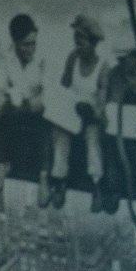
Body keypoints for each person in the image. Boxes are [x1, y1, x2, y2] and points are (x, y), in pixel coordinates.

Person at [48, 13, 113, 210]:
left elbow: (101, 101)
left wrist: (93, 112)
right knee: (60, 134)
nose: (78, 46)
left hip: (92, 115)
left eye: (82, 42)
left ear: (93, 43)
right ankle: (59, 180)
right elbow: (65, 85)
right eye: (76, 41)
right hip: (72, 111)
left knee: (92, 139)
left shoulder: (103, 66)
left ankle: (96, 185)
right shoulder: (73, 58)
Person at [0, 13, 48, 190]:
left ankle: (44, 175)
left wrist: (28, 103)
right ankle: (2, 166)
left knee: (45, 122)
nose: (31, 49)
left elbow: (48, 94)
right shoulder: (4, 57)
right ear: (15, 42)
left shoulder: (43, 58)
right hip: (15, 108)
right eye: (26, 44)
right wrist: (3, 101)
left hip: (38, 109)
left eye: (33, 43)